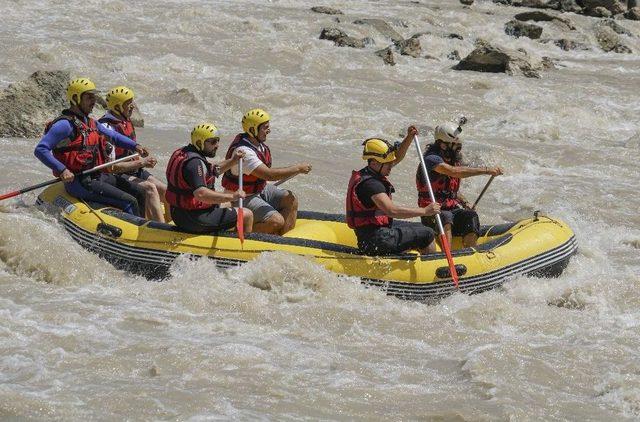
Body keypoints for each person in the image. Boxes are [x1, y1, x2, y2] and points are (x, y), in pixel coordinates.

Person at [34, 78, 147, 216]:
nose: (93, 101)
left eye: (94, 97)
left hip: (97, 175)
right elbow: (40, 150)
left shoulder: (90, 122)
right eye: (89, 97)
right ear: (75, 98)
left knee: (140, 192)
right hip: (80, 181)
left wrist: (136, 146)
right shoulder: (64, 125)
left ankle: (148, 227)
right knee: (130, 201)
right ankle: (137, 233)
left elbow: (114, 136)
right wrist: (62, 170)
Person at [346, 126, 440, 256]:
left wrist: (409, 137)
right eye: (388, 163)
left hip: (373, 238)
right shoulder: (371, 184)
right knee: (427, 233)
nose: (392, 165)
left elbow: (397, 157)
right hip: (378, 240)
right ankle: (430, 268)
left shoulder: (371, 172)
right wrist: (425, 211)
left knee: (417, 229)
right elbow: (391, 211)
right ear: (374, 163)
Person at [221, 108, 312, 235]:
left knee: (291, 198)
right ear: (253, 130)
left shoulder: (259, 145)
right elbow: (269, 175)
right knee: (276, 221)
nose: (269, 130)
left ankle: (284, 241)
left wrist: (296, 169)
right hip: (241, 197)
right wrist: (297, 168)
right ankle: (239, 233)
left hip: (259, 190)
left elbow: (269, 171)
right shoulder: (244, 152)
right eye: (265, 127)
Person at [416, 123, 503, 248]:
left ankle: (469, 253)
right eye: (456, 145)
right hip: (431, 213)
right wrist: (486, 170)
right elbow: (454, 172)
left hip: (451, 210)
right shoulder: (431, 159)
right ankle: (445, 256)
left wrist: (465, 203)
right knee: (445, 216)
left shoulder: (453, 160)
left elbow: (451, 191)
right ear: (443, 144)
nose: (459, 149)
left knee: (470, 216)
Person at [166, 123, 253, 234]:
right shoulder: (194, 163)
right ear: (199, 143)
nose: (217, 145)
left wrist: (233, 161)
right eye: (212, 142)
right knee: (246, 214)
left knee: (230, 204)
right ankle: (241, 248)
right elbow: (201, 194)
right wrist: (232, 196)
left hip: (180, 213)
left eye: (217, 141)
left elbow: (212, 171)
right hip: (194, 218)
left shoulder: (186, 153)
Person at [98, 86, 169, 223]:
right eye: (128, 103)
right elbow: (111, 167)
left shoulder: (125, 121)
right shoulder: (107, 128)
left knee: (165, 191)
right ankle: (160, 231)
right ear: (118, 107)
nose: (132, 107)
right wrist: (142, 162)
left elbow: (128, 150)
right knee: (150, 188)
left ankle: (172, 226)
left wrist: (140, 153)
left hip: (133, 170)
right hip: (116, 175)